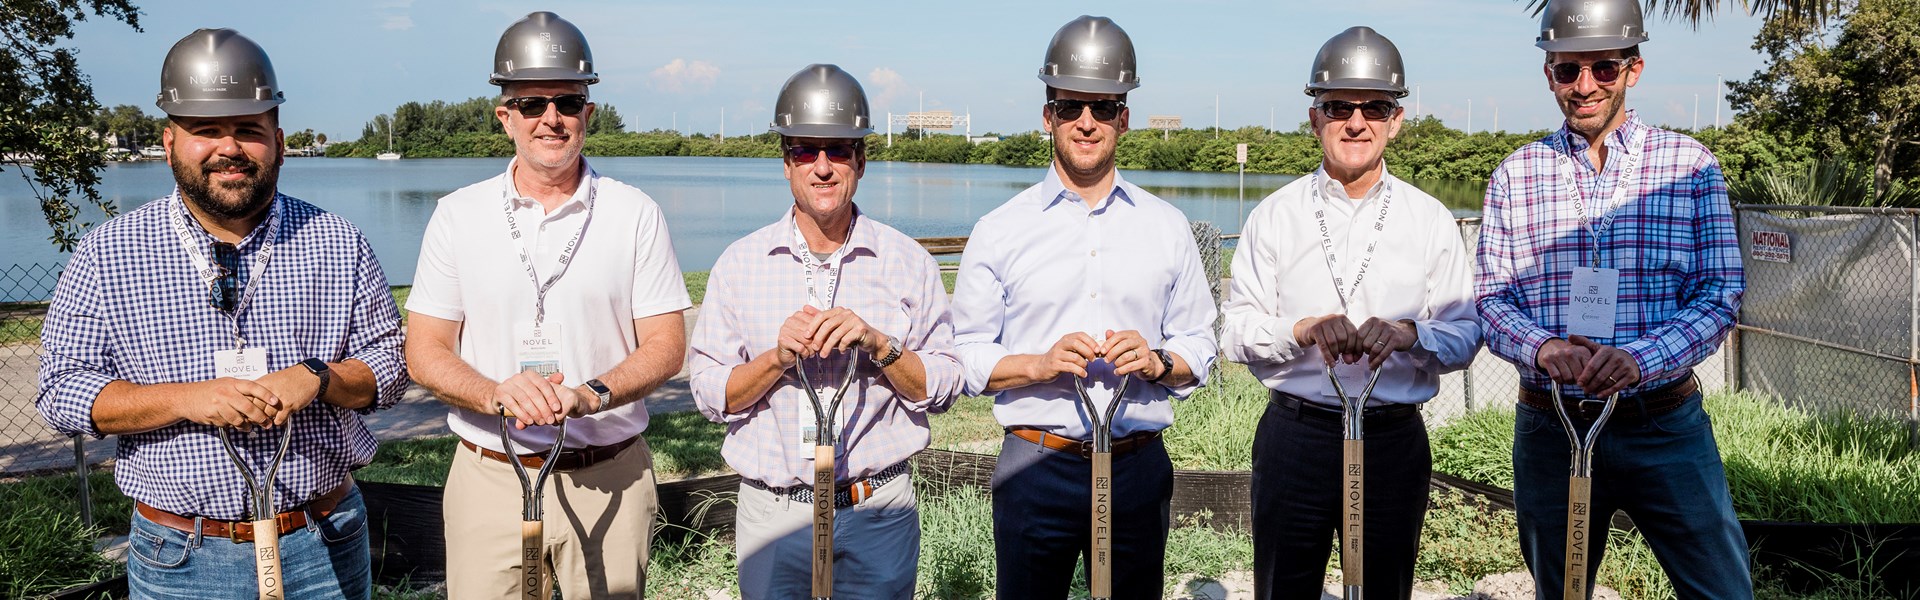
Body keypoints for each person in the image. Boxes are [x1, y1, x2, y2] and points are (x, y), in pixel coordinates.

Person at [36, 28, 406, 598]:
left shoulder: (338, 242)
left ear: (278, 141)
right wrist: (190, 398)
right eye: (205, 130)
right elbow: (62, 391)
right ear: (168, 142)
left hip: (324, 536)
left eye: (248, 131)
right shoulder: (106, 252)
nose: (228, 148)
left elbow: (390, 366)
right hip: (179, 557)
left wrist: (318, 378)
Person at [402, 11, 690, 599]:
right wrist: (493, 394)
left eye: (566, 101)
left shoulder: (635, 213)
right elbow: (424, 350)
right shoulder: (458, 214)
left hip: (610, 471)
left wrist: (591, 395)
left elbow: (666, 345)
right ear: (505, 116)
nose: (550, 119)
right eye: (532, 104)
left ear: (589, 113)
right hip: (490, 474)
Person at [1475, 0, 1750, 597]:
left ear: (1634, 69)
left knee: (1722, 589)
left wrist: (1640, 359)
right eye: (1568, 70)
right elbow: (1491, 301)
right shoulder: (1515, 174)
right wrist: (1543, 347)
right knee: (1563, 589)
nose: (1585, 86)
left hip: (1664, 423)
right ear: (1548, 74)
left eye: (1603, 68)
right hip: (1552, 425)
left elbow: (1720, 293)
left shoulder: (1690, 166)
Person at [951, 15, 1218, 599]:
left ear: (1124, 116)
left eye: (1103, 107)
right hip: (1034, 463)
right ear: (1048, 115)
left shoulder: (1167, 228)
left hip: (1137, 464)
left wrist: (1157, 362)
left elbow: (1201, 343)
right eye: (1072, 107)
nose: (1087, 122)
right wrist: (1038, 365)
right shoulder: (1000, 230)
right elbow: (965, 354)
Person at [1222, 26, 1482, 599]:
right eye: (1339, 106)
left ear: (1397, 120)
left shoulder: (1430, 219)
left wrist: (1412, 334)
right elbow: (1235, 332)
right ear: (1315, 118)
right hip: (1298, 434)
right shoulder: (1275, 216)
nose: (1356, 122)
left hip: (1393, 438)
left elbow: (1467, 334)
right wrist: (1300, 330)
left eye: (1375, 107)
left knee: (1384, 588)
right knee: (1282, 588)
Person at [689, 63, 963, 599]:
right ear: (786, 162)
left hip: (878, 509)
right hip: (774, 513)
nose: (822, 167)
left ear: (861, 160)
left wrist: (880, 344)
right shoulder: (740, 263)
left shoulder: (907, 262)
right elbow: (708, 392)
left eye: (838, 150)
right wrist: (775, 359)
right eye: (805, 150)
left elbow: (944, 385)